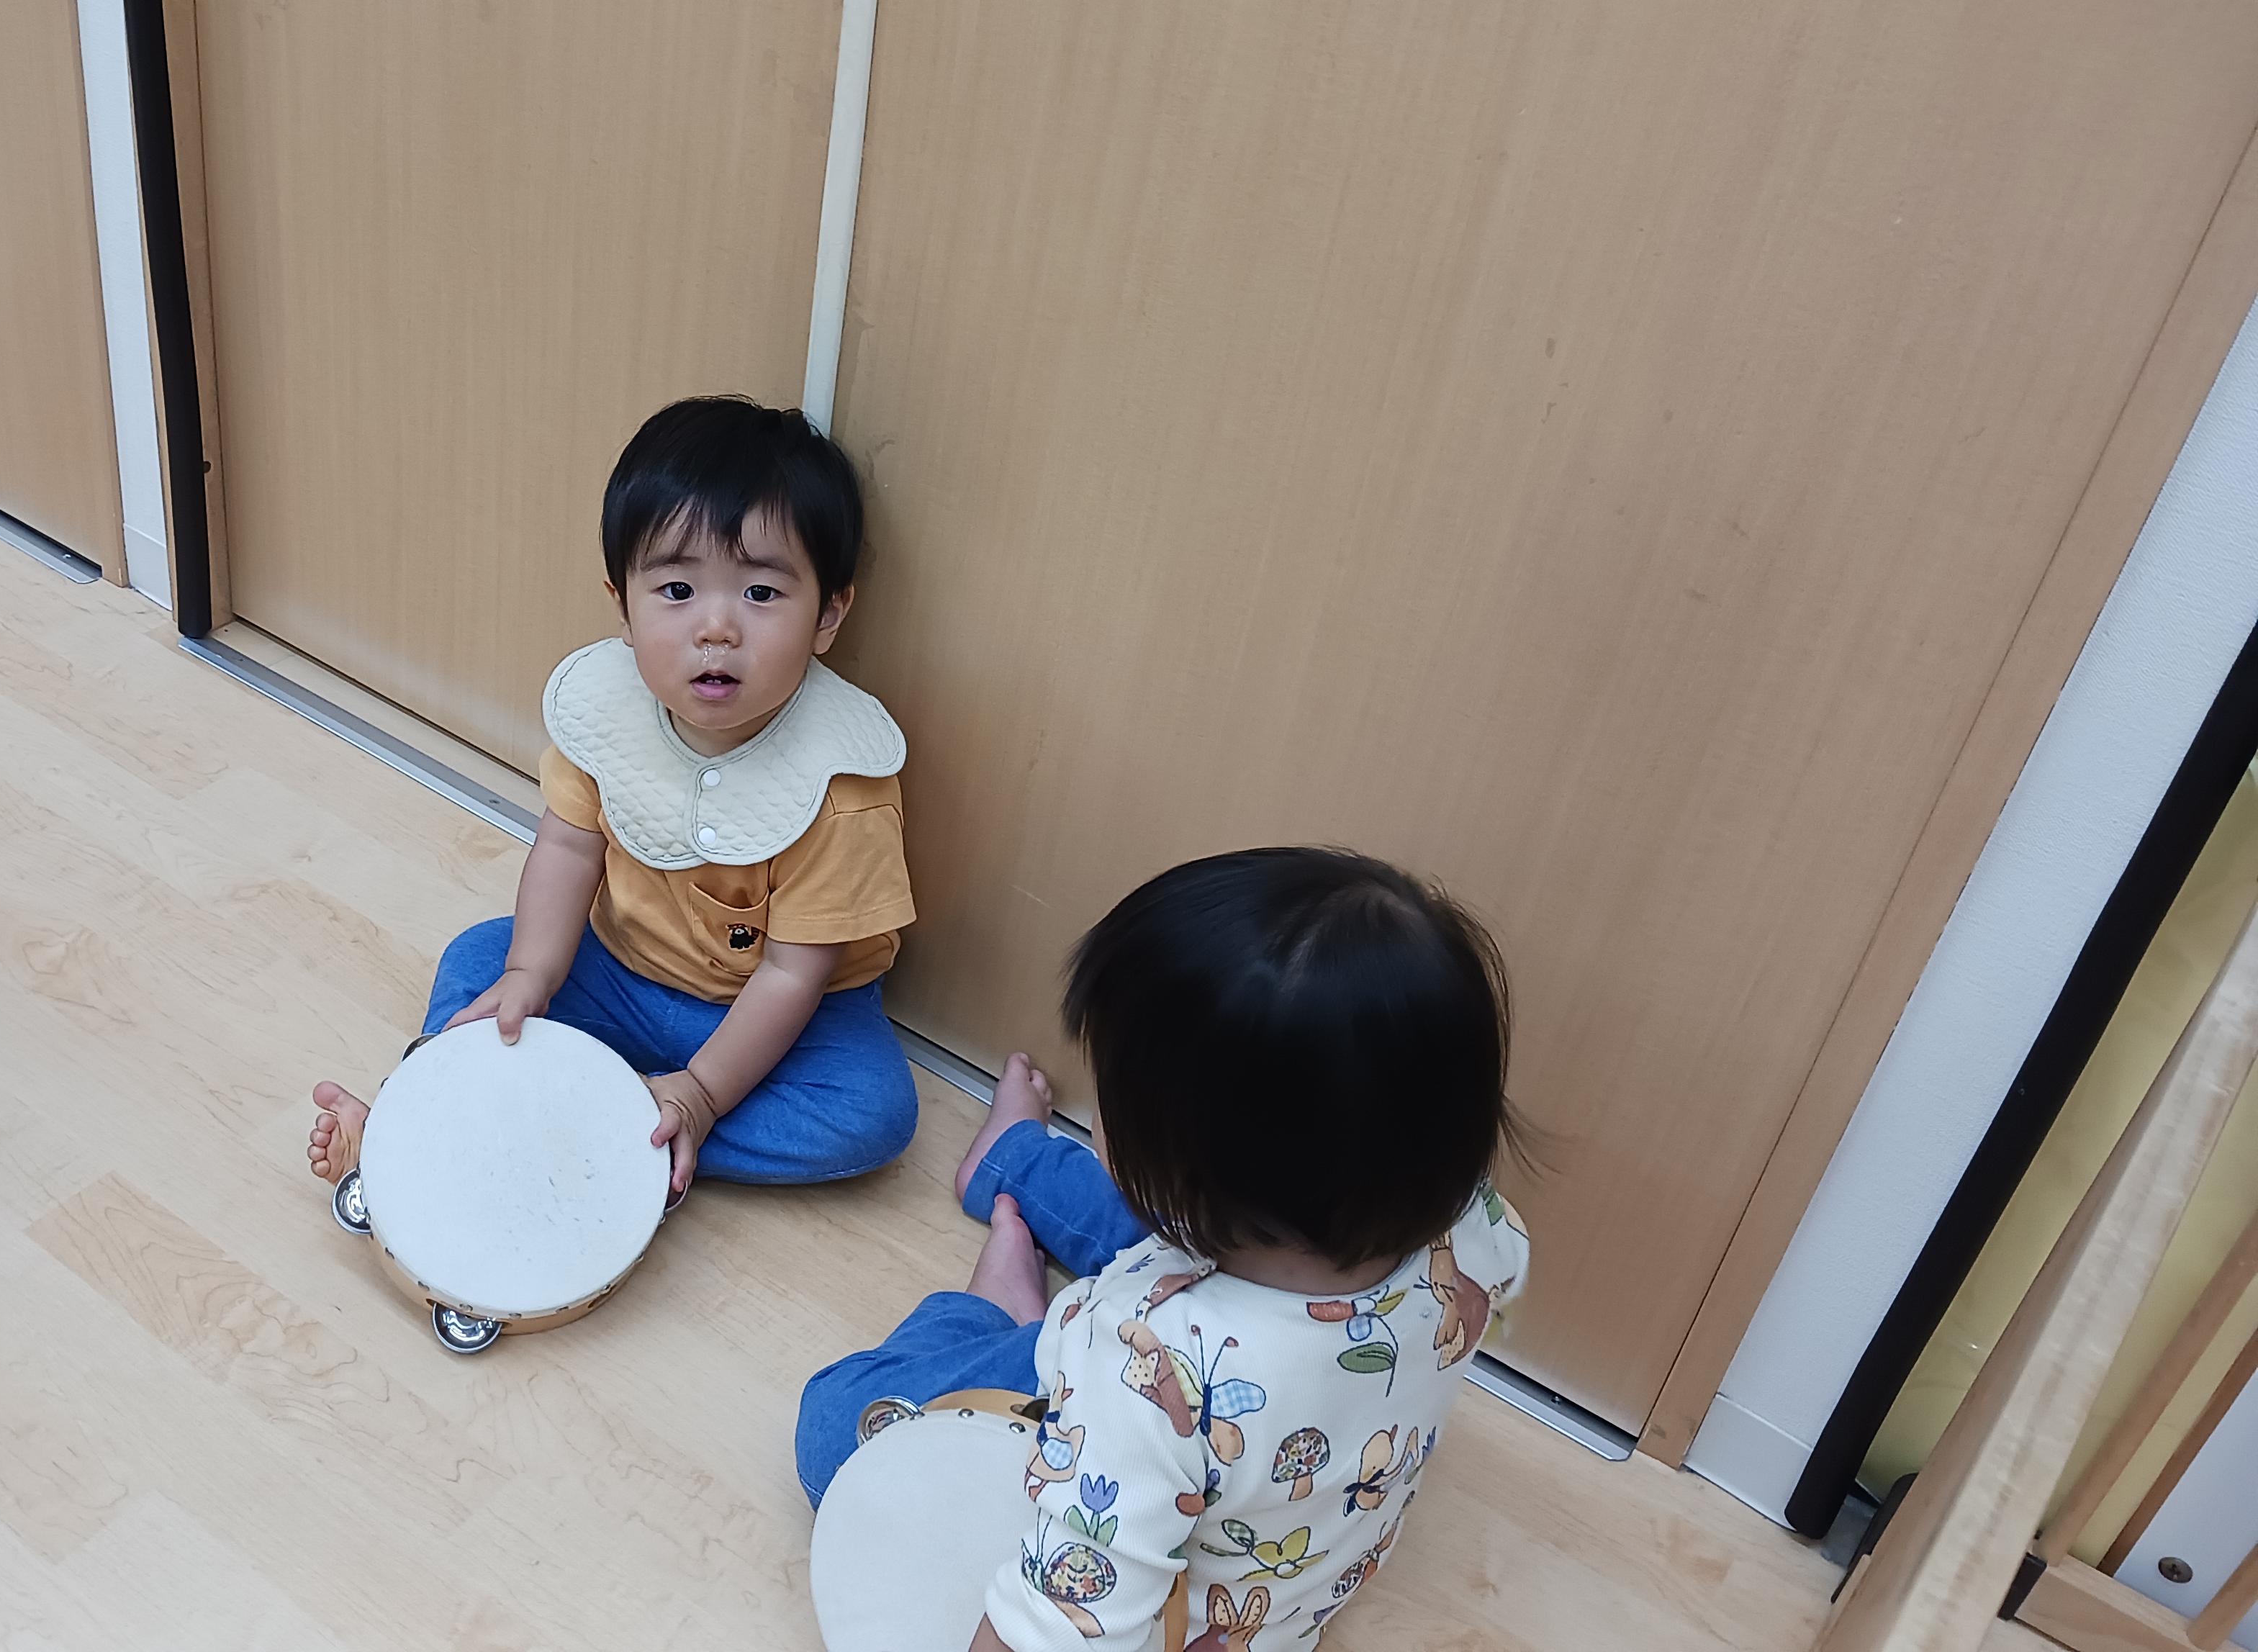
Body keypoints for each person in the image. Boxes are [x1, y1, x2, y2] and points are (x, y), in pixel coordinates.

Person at [798, 848, 1530, 1648]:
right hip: (1272, 1529)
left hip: (1151, 1511)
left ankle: (993, 1311)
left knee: (834, 1428)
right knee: (1205, 1243)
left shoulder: (1138, 1373)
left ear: (1188, 1184)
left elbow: (1058, 1628)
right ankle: (1015, 1162)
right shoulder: (1471, 1223)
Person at [310, 397, 918, 1199]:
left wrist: (702, 1094)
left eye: (762, 595)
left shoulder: (842, 786)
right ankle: (421, 1116)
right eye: (677, 589)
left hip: (785, 1011)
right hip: (619, 970)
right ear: (623, 607)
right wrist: (532, 972)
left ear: (829, 614)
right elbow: (567, 847)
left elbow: (791, 975)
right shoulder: (606, 716)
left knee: (874, 1111)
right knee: (481, 960)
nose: (717, 628)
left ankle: (608, 1131)